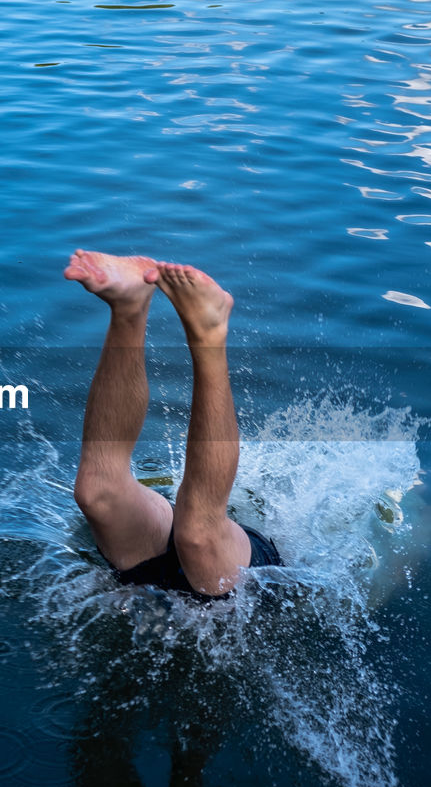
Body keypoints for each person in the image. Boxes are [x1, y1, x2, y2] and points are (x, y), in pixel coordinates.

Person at [64, 249, 283, 599]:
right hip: (184, 575)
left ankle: (209, 333)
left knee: (197, 535)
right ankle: (129, 307)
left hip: (237, 575)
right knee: (97, 493)